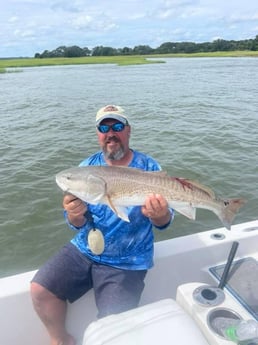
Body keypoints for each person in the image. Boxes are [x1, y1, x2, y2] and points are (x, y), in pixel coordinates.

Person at [30, 105, 174, 345]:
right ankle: (61, 339)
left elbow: (165, 221)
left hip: (128, 260)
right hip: (85, 248)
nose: (111, 133)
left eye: (117, 126)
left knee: (113, 330)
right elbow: (74, 222)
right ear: (98, 134)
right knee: (39, 290)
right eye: (103, 128)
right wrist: (73, 215)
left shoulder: (150, 168)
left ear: (128, 131)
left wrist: (158, 215)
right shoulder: (86, 167)